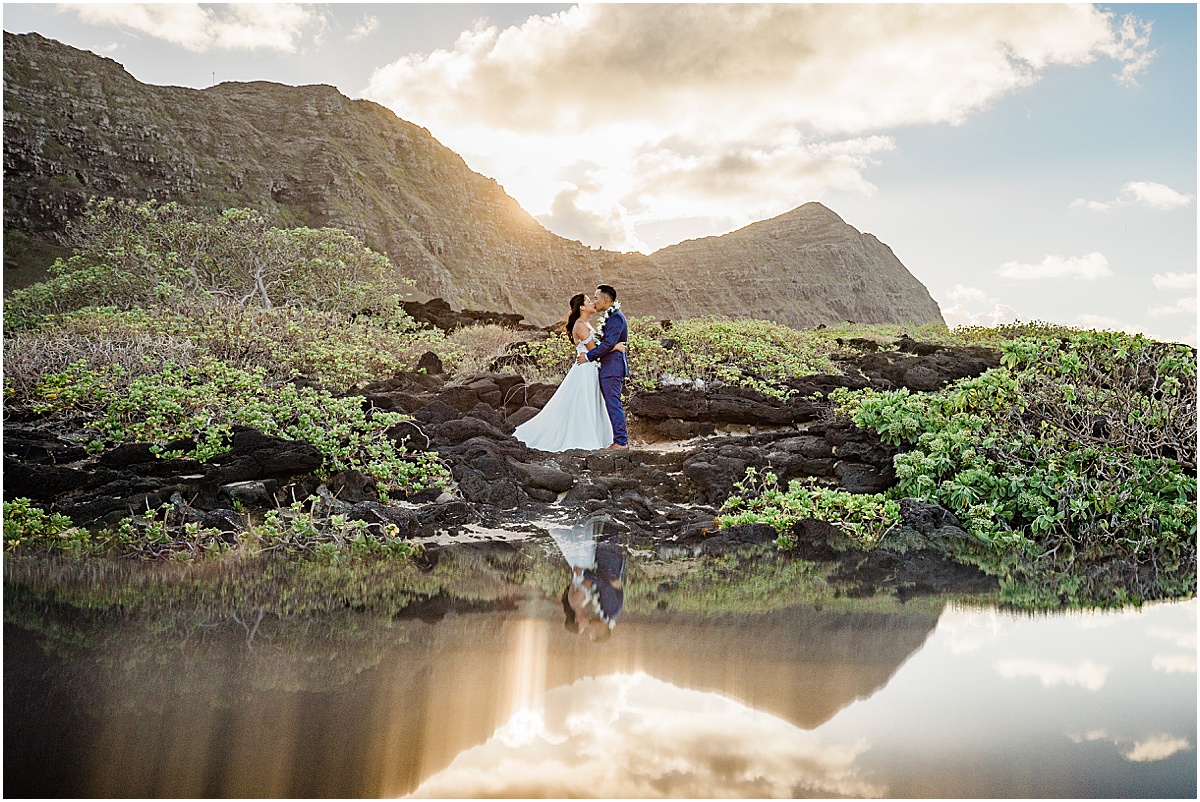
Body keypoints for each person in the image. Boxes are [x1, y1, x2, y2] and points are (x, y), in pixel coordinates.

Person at [513, 293, 627, 452]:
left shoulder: (586, 324)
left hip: (590, 368)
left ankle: (599, 437)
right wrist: (615, 347)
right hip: (585, 370)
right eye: (588, 301)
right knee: (583, 404)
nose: (592, 303)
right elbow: (594, 350)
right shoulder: (580, 325)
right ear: (581, 307)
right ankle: (583, 438)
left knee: (589, 403)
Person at [577, 284, 629, 450]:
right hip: (608, 367)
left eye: (596, 298)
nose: (595, 301)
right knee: (611, 404)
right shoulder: (612, 316)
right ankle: (618, 440)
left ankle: (621, 442)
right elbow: (608, 344)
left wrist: (588, 356)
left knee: (613, 404)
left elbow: (607, 344)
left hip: (612, 368)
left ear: (606, 300)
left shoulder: (615, 318)